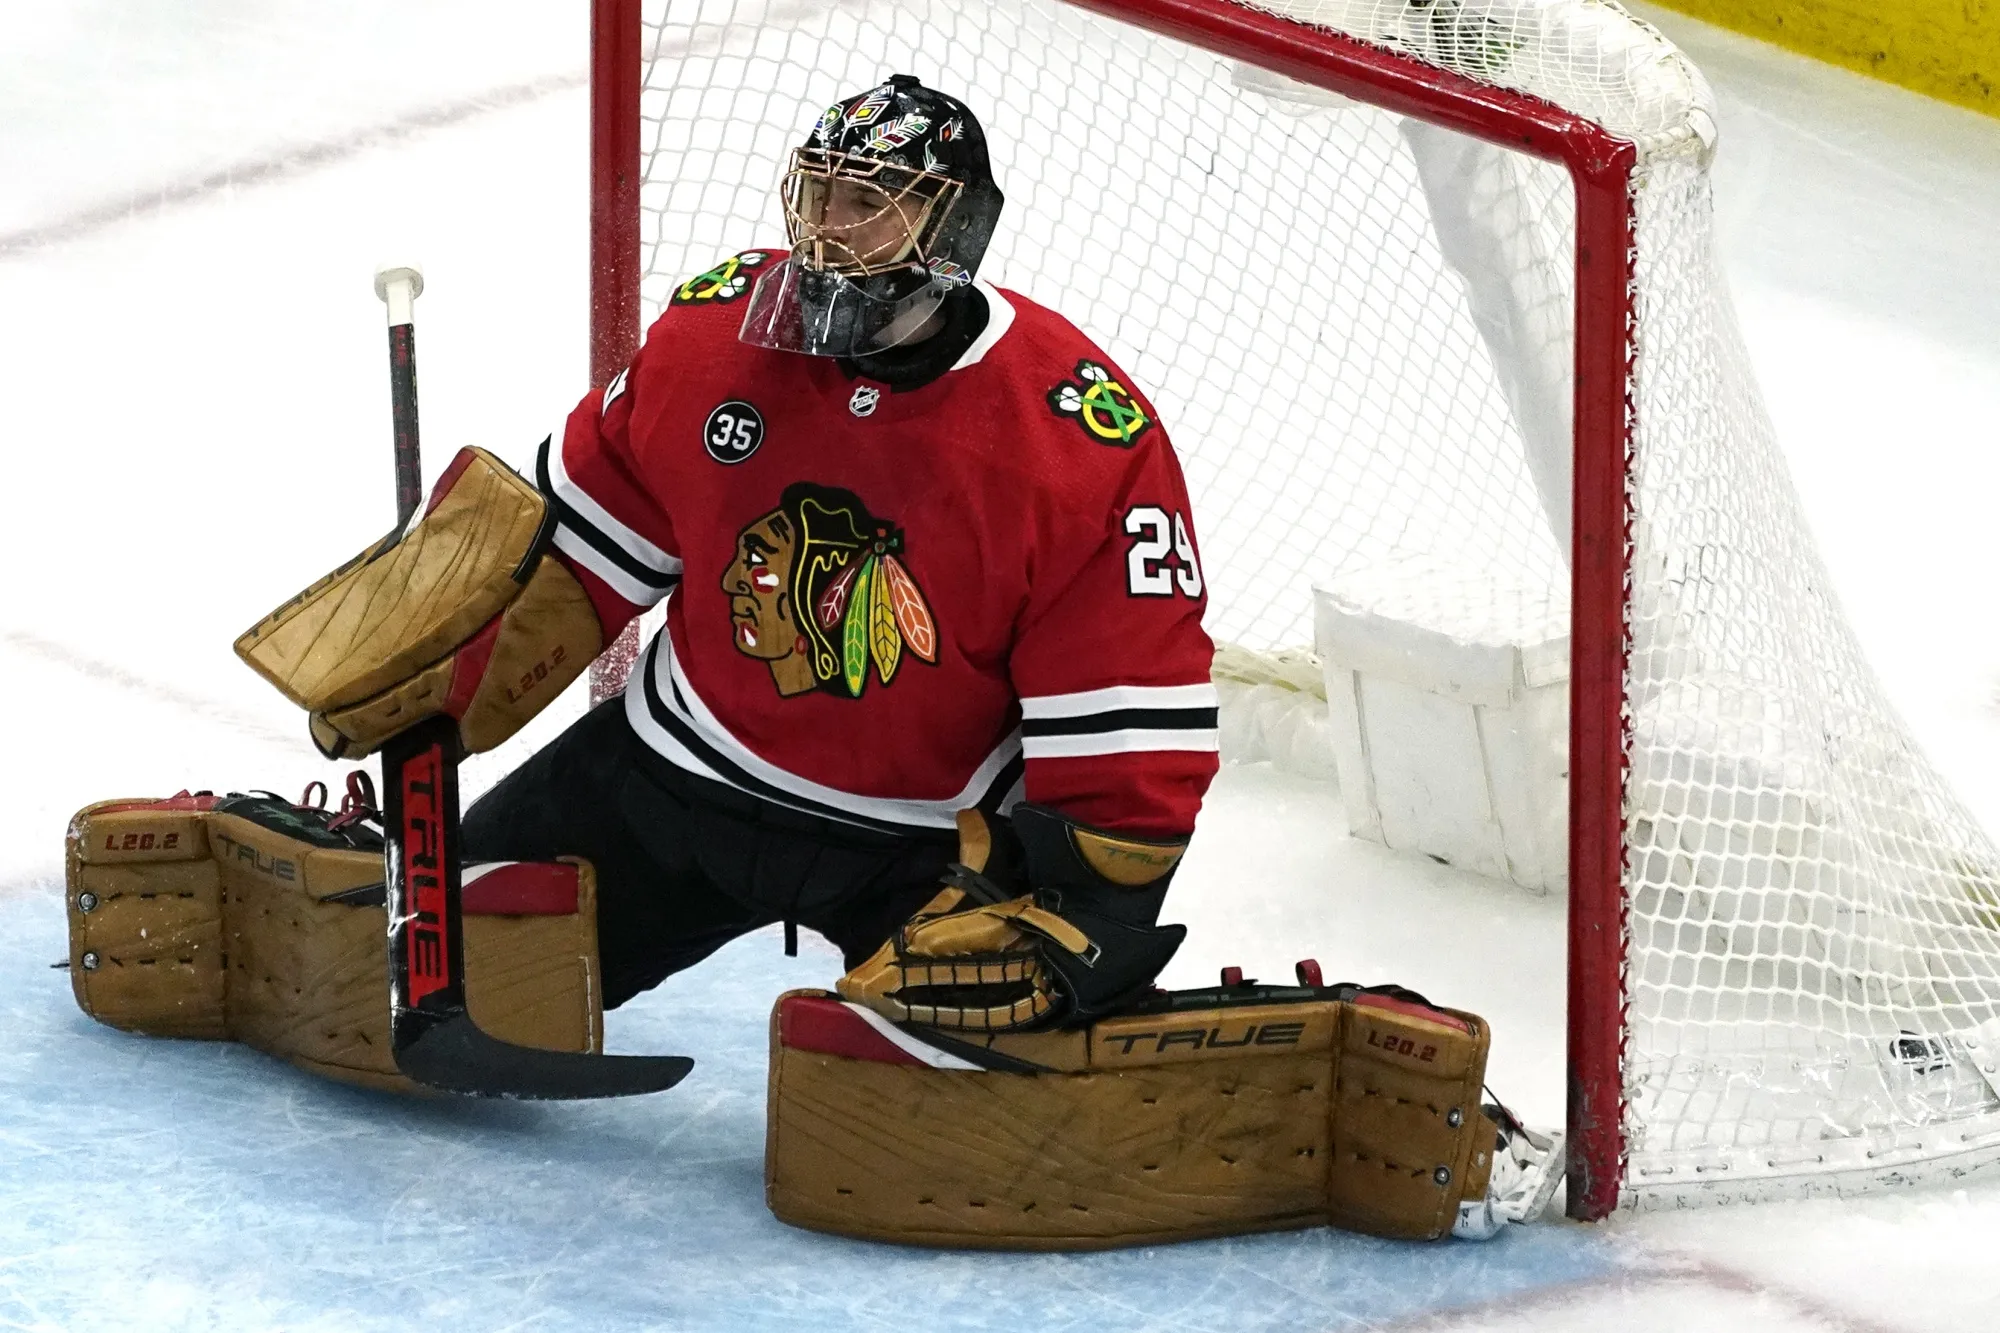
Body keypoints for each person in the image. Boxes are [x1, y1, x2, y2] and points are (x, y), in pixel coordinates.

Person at [457, 73, 1220, 1024]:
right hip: (674, 770)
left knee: (936, 1120)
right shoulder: (712, 337)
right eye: (820, 193)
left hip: (927, 845)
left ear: (952, 233)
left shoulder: (1076, 438)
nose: (828, 231)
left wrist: (1094, 909)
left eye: (869, 204)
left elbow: (1129, 706)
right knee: (434, 964)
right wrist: (446, 661)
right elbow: (575, 548)